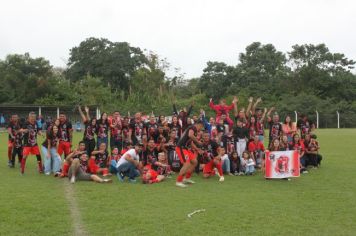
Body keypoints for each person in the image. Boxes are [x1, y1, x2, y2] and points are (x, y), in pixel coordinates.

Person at [175, 121, 204, 188]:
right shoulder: (193, 127)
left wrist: (197, 149)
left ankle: (186, 178)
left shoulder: (194, 130)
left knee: (194, 162)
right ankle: (178, 181)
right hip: (181, 148)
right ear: (199, 125)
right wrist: (198, 141)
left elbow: (190, 142)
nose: (201, 129)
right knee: (187, 164)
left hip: (186, 148)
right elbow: (190, 135)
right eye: (201, 127)